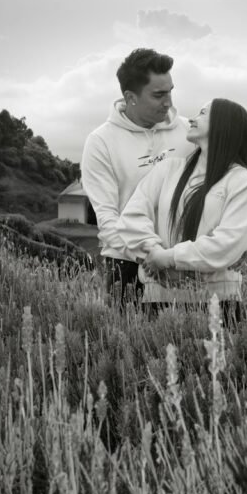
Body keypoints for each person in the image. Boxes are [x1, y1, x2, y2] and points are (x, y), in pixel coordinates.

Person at [115, 98, 247, 323]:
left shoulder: (239, 179)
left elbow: (230, 242)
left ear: (223, 124)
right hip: (158, 299)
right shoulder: (168, 169)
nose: (192, 118)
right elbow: (131, 217)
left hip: (219, 304)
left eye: (202, 113)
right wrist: (154, 254)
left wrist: (170, 258)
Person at [81, 48, 194, 309]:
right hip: (127, 267)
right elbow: (108, 219)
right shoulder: (100, 142)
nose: (168, 102)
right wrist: (152, 257)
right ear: (130, 97)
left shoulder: (189, 131)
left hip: (184, 264)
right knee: (130, 347)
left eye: (170, 91)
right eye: (158, 95)